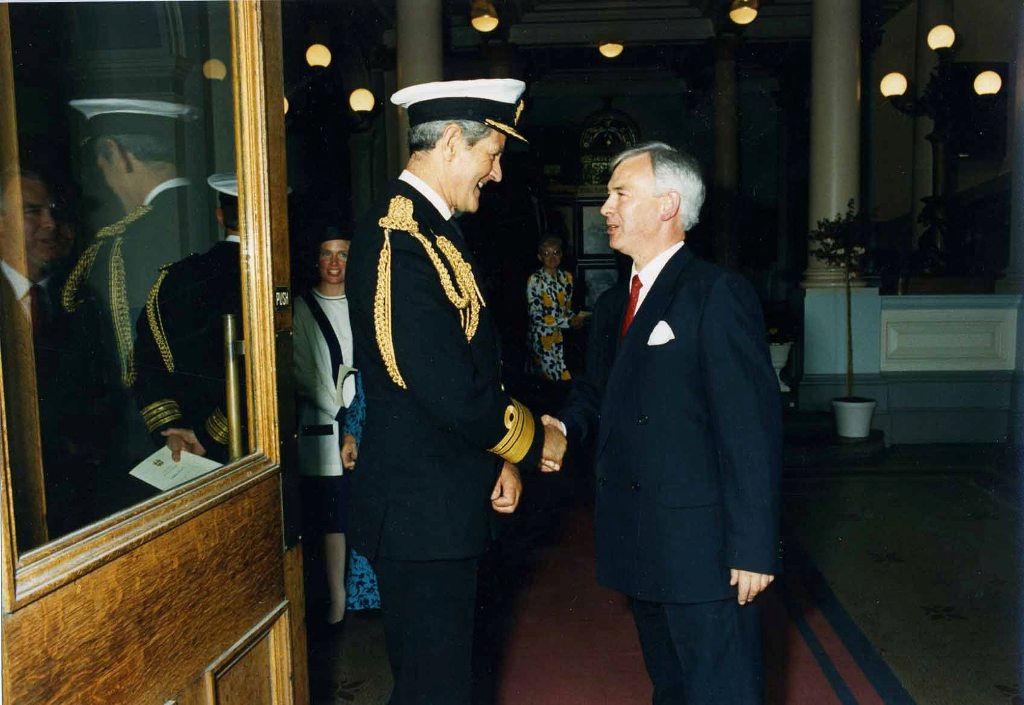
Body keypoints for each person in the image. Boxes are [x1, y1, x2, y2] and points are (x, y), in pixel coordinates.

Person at [345, 78, 567, 705]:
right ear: (449, 142)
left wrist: (499, 458)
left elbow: (472, 367)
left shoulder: (434, 229)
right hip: (421, 514)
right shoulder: (400, 239)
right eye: (491, 153)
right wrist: (530, 439)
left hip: (444, 501)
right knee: (433, 691)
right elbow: (445, 390)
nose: (496, 173)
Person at [547, 142, 782, 704]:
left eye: (620, 194)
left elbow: (751, 428)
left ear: (667, 205)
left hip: (704, 551)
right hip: (641, 540)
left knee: (721, 691)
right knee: (671, 687)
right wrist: (562, 428)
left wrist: (752, 548)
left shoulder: (715, 294)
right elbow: (597, 392)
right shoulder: (610, 306)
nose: (605, 207)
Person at [61, 98, 201, 518]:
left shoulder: (116, 246)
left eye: (101, 161)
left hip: (146, 448)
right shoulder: (218, 217)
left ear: (113, 153)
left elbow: (117, 365)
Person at [132, 173, 244, 465]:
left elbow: (146, 358)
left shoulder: (177, 277)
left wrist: (171, 430)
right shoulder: (277, 280)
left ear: (220, 217)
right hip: (251, 444)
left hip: (182, 449)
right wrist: (210, 436)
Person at [293, 228, 363, 625]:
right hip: (324, 424)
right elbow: (302, 370)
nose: (334, 264)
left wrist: (363, 414)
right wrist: (343, 412)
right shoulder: (303, 307)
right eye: (326, 254)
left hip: (366, 419)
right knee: (330, 514)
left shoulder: (366, 303)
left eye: (343, 254)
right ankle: (335, 598)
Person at [526, 235, 587, 383]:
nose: (552, 257)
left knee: (565, 378)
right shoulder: (535, 280)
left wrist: (576, 318)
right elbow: (536, 316)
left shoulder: (567, 277)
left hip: (562, 338)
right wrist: (567, 322)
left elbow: (565, 309)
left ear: (561, 254)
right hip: (543, 338)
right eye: (547, 254)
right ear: (540, 257)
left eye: (556, 252)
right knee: (550, 382)